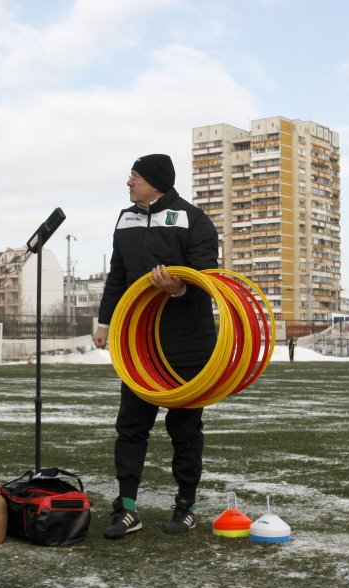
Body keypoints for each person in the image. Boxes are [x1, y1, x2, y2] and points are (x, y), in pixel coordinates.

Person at [93, 153, 218, 540]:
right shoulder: (125, 218)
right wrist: (105, 321)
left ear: (156, 181)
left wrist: (177, 288)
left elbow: (208, 278)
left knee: (184, 429)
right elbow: (119, 274)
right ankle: (127, 509)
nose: (128, 184)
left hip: (186, 342)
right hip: (138, 342)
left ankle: (186, 507)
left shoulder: (193, 219)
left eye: (134, 178)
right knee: (131, 426)